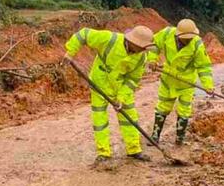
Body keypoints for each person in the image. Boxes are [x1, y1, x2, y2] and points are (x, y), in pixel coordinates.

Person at [63, 25, 155, 164]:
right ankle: (103, 153)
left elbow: (133, 80)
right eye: (142, 47)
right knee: (100, 119)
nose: (143, 50)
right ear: (133, 43)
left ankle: (134, 149)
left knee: (129, 117)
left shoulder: (141, 57)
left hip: (120, 87)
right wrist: (70, 52)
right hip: (100, 83)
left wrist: (121, 98)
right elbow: (84, 34)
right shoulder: (110, 39)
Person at [148, 19, 214, 145]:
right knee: (162, 107)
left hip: (186, 83)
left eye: (191, 38)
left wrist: (208, 85)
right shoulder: (167, 34)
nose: (188, 40)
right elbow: (154, 45)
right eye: (186, 38)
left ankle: (179, 140)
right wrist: (152, 60)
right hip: (168, 79)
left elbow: (204, 66)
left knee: (184, 110)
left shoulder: (197, 44)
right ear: (178, 35)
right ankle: (155, 136)